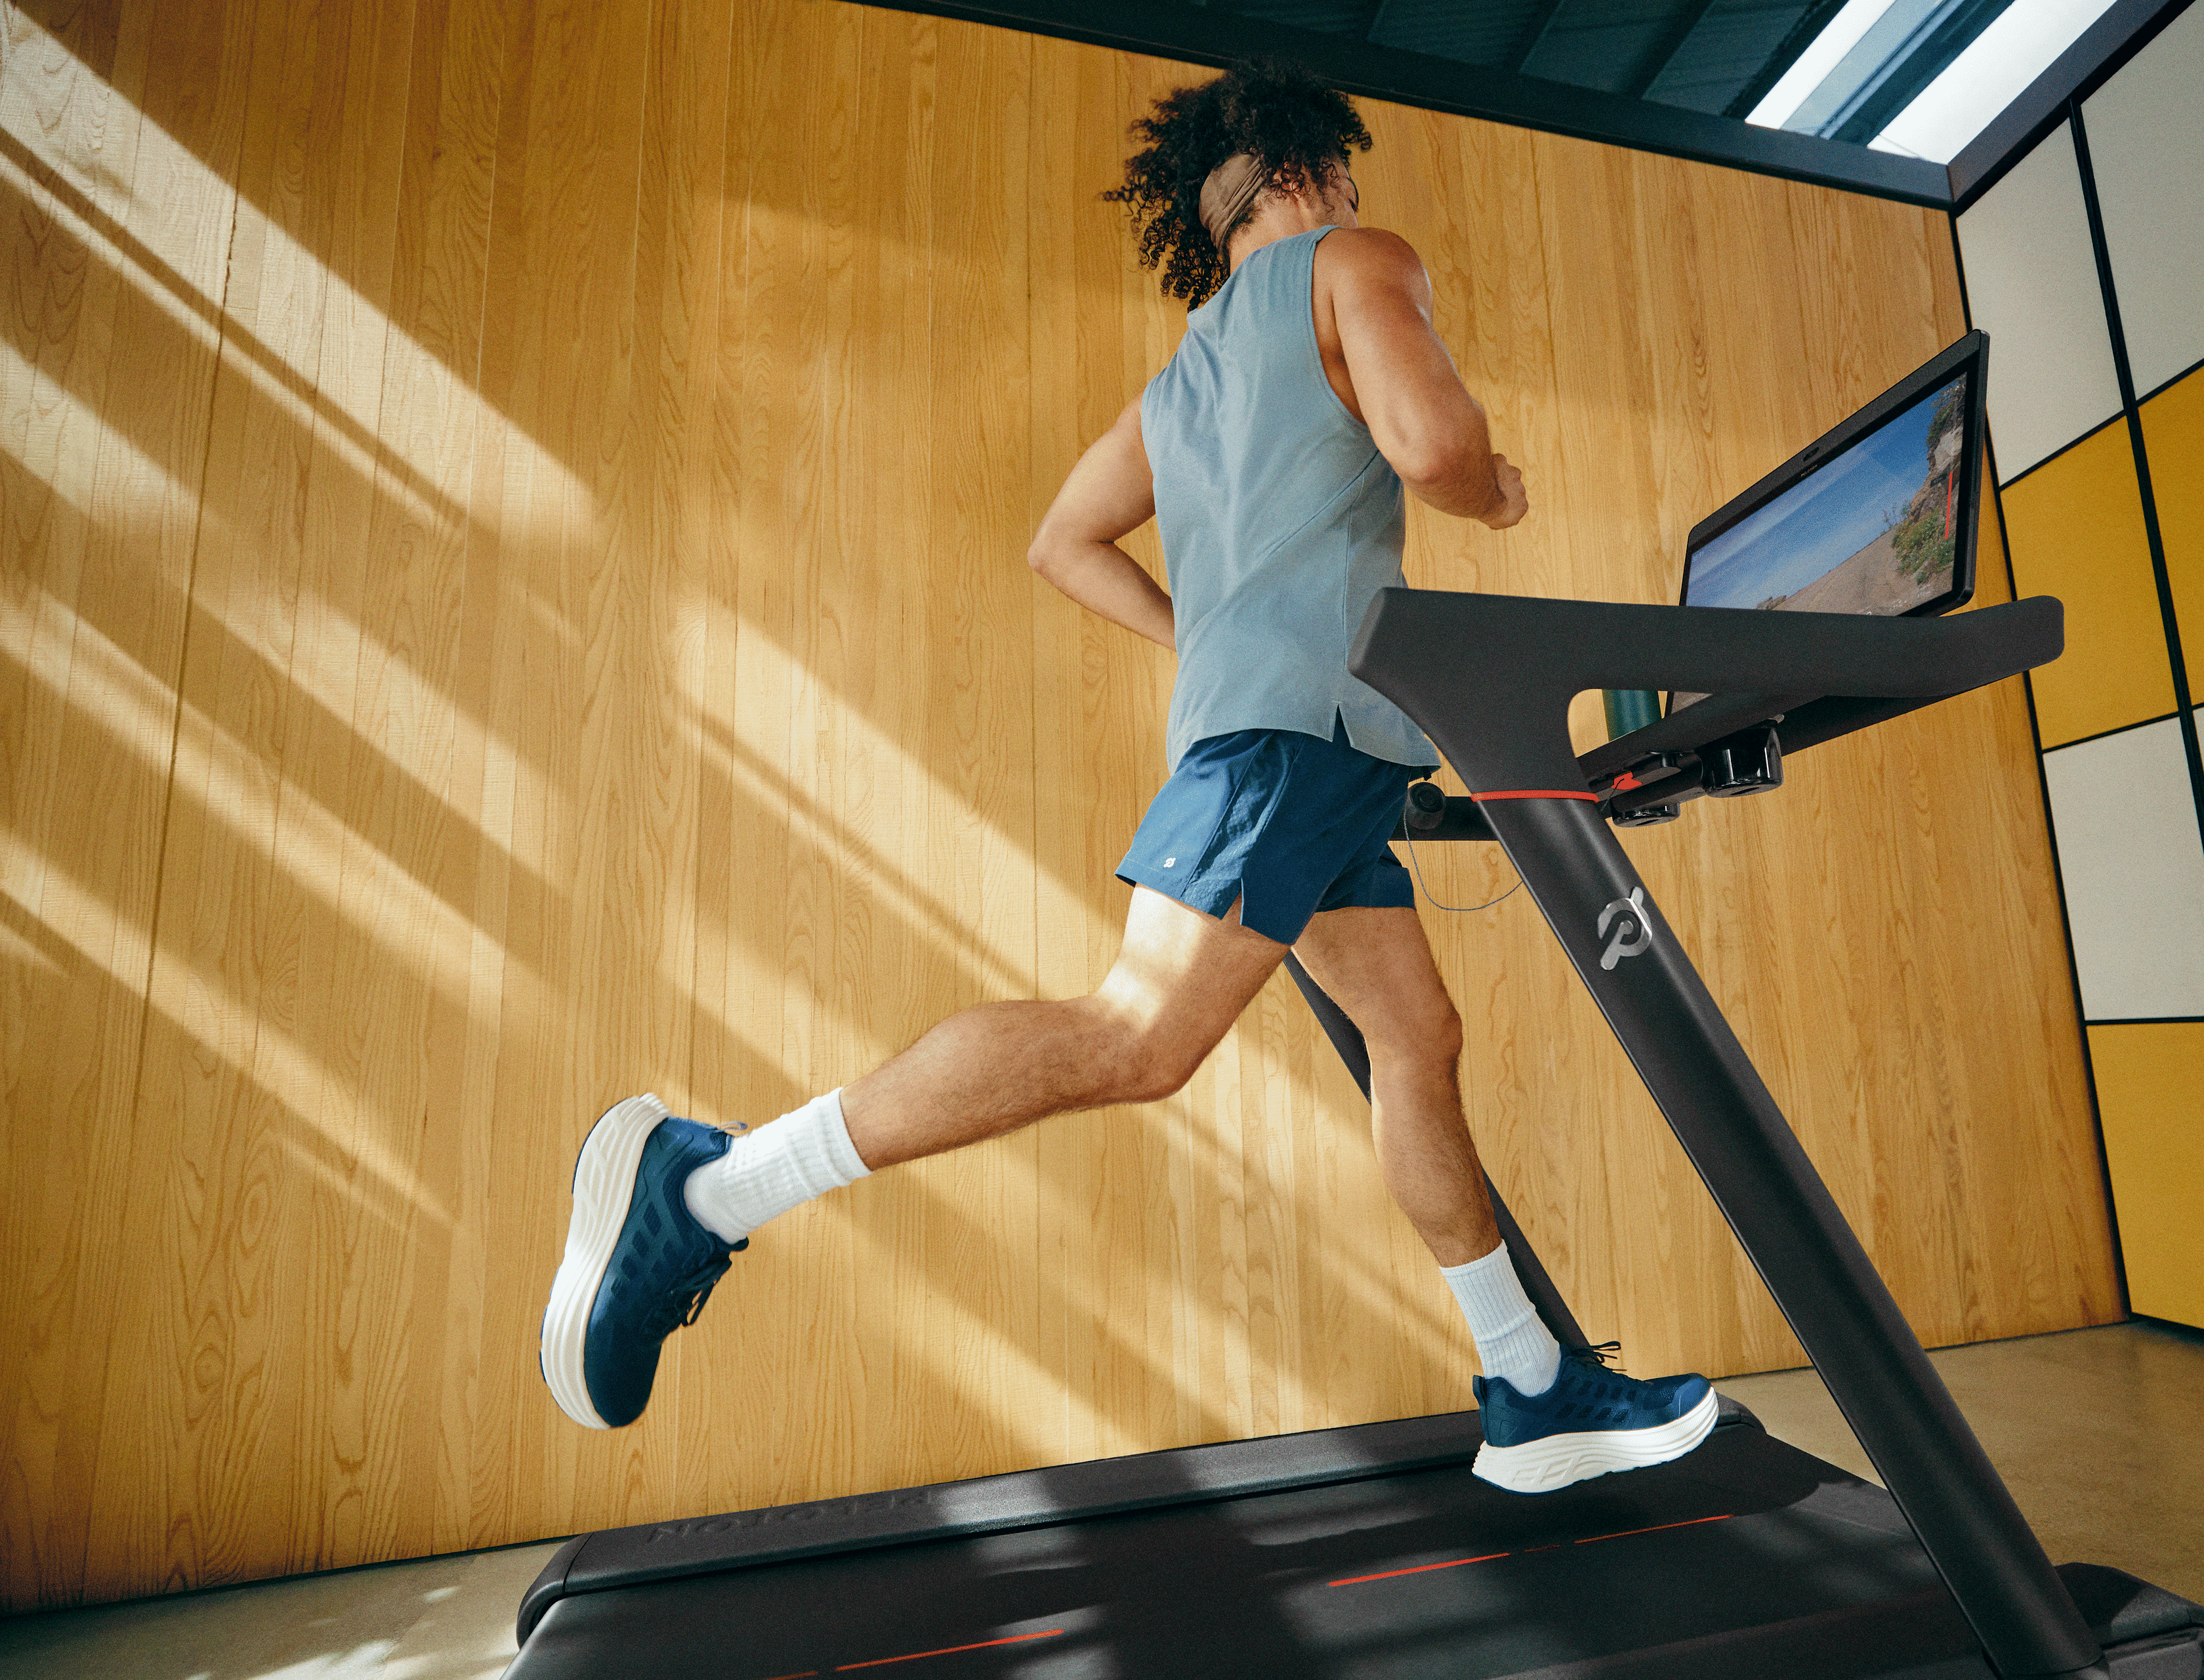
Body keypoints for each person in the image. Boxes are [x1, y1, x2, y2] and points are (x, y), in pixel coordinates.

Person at [538, 59, 1716, 1496]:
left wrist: (1211, 641)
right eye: (1345, 173)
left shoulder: (1186, 378)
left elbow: (1063, 542)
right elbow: (1435, 447)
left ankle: (1531, 1388)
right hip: (1297, 746)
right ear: (1308, 173)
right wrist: (1497, 486)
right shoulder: (1359, 259)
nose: (1354, 193)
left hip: (1307, 754)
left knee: (1416, 1035)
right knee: (1139, 1035)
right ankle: (709, 1186)